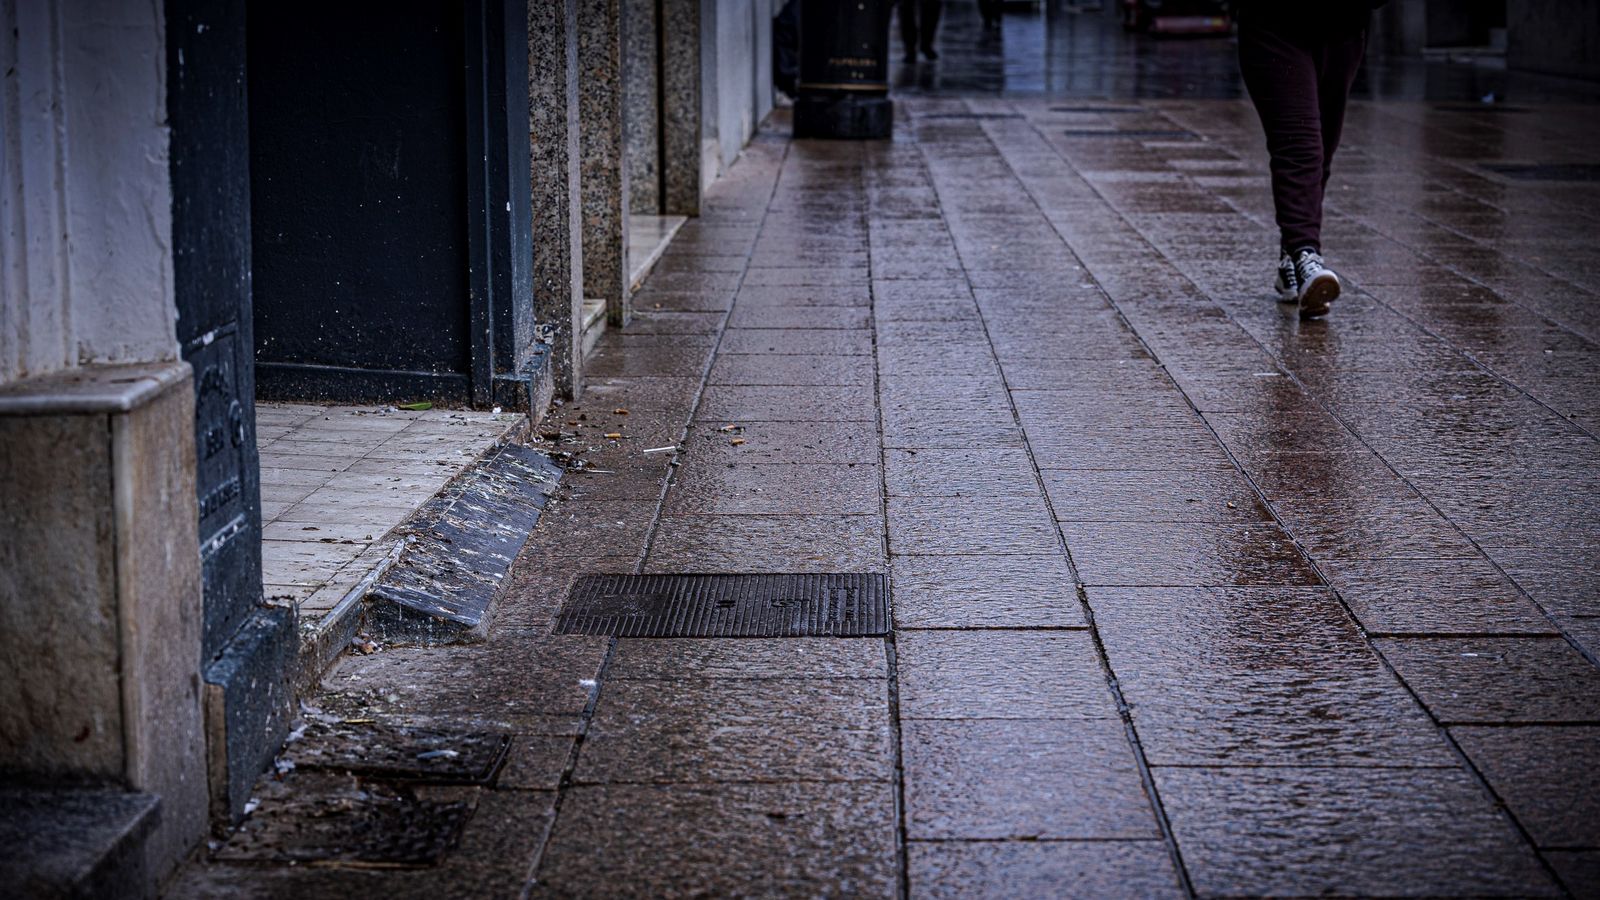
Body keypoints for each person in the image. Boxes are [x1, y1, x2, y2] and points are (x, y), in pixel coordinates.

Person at [1236, 2, 1385, 319]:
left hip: (1344, 26)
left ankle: (1289, 257)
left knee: (1322, 150)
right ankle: (1306, 256)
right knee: (1299, 144)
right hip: (1272, 24)